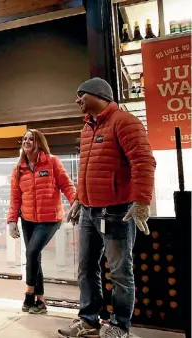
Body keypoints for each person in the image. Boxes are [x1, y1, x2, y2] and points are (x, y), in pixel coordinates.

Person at [58, 78, 156, 338]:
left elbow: (144, 161)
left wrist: (142, 201)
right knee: (86, 268)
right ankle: (89, 321)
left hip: (117, 211)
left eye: (80, 95)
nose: (77, 100)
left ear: (97, 94)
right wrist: (79, 198)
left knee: (120, 272)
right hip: (90, 212)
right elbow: (87, 169)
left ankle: (120, 326)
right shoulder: (87, 129)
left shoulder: (125, 121)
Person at [7, 129, 76, 315]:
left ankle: (29, 293)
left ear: (39, 143)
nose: (27, 141)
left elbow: (67, 185)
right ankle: (41, 301)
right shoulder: (19, 169)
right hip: (28, 219)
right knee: (33, 256)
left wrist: (75, 203)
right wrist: (12, 220)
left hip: (50, 218)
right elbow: (15, 197)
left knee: (32, 251)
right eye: (25, 139)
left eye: (31, 139)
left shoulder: (52, 162)